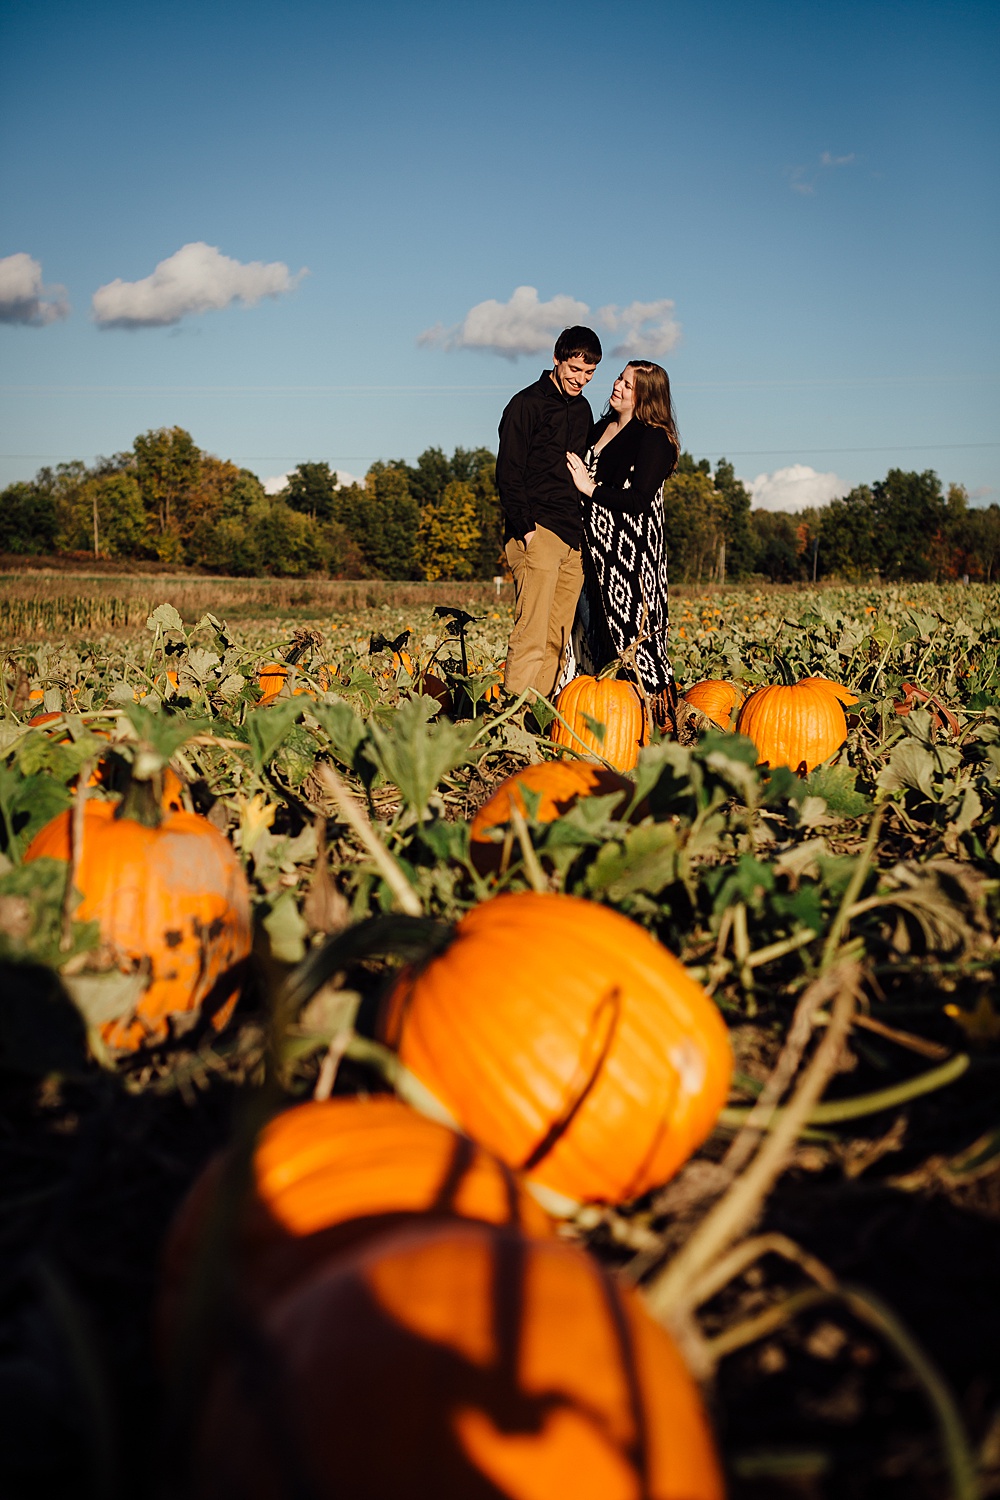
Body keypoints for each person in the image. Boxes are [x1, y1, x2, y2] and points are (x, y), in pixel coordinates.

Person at [565, 360, 679, 729]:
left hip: (630, 561)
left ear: (646, 396)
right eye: (620, 377)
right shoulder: (601, 427)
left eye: (629, 385)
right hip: (589, 552)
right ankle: (595, 713)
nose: (618, 386)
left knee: (625, 638)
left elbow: (640, 500)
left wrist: (589, 488)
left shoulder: (654, 438)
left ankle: (640, 721)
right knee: (588, 632)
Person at [497, 325, 603, 699]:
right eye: (575, 369)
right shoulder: (526, 404)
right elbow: (508, 473)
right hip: (538, 532)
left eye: (589, 373)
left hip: (572, 538)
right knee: (532, 634)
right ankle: (511, 724)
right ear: (556, 359)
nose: (581, 379)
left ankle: (536, 720)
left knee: (558, 638)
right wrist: (527, 531)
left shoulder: (584, 409)